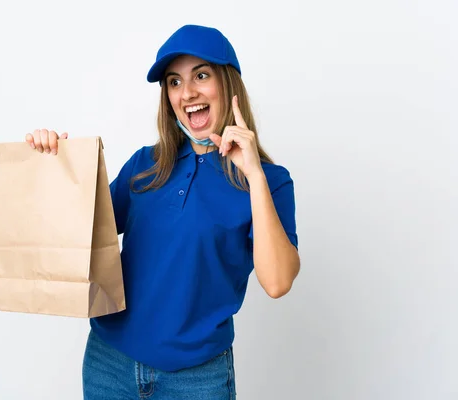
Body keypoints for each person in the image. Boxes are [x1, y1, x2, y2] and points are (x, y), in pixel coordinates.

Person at [25, 24, 300, 400]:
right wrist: (54, 163)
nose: (187, 93)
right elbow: (75, 236)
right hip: (110, 364)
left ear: (229, 85)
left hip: (197, 379)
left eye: (201, 75)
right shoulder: (147, 164)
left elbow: (278, 282)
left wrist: (253, 174)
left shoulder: (271, 181)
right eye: (174, 82)